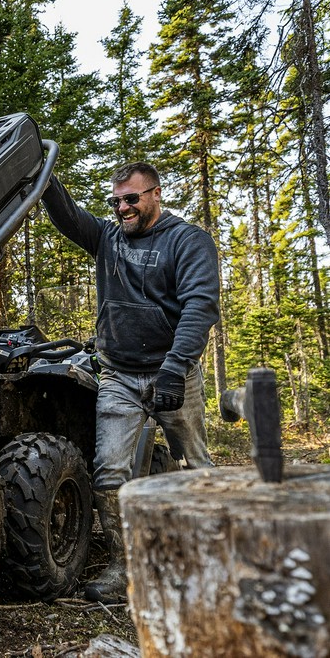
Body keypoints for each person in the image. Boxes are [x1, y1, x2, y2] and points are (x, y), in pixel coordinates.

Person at [41, 162, 220, 603]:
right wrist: (43, 174)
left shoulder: (187, 240)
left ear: (155, 194)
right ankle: (126, 568)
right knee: (110, 472)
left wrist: (176, 367)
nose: (123, 207)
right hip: (118, 374)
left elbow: (201, 305)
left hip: (171, 373)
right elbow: (67, 217)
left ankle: (218, 558)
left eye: (132, 198)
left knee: (196, 466)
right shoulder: (107, 237)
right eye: (116, 200)